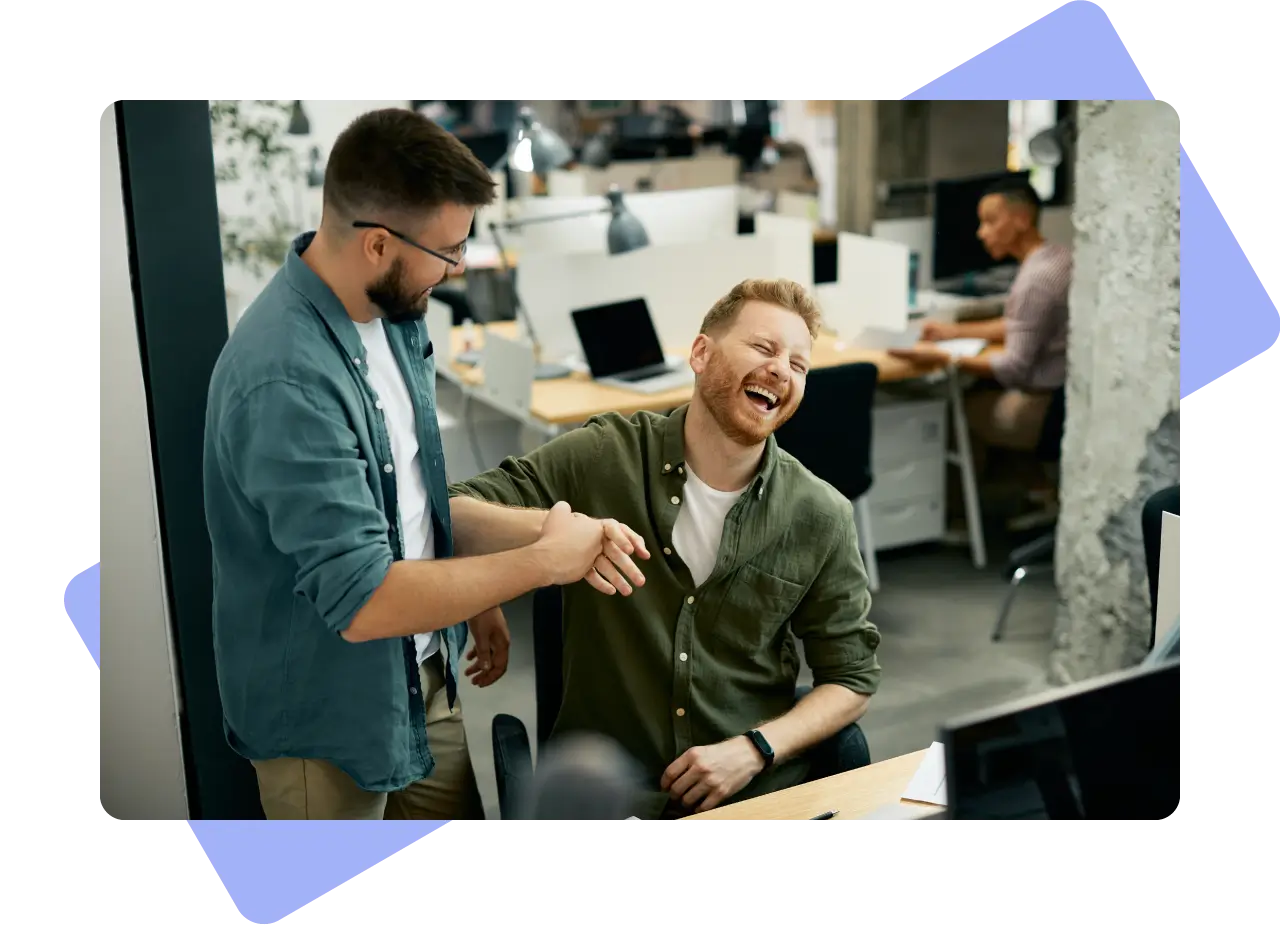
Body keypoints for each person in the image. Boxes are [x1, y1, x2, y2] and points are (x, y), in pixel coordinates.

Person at [203, 108, 648, 822]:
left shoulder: (395, 318)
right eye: (448, 250)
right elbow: (365, 598)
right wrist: (542, 564)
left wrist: (512, 562)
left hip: (419, 678)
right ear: (379, 243)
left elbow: (406, 498)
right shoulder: (286, 379)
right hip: (327, 720)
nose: (460, 267)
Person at [450, 278, 882, 821]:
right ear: (701, 353)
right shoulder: (604, 455)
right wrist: (542, 542)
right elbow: (454, 512)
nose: (781, 370)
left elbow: (851, 678)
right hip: (609, 795)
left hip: (751, 796)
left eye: (798, 365)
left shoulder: (820, 514)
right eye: (764, 348)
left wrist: (755, 750)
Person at [890, 176, 1072, 519]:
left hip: (1038, 407)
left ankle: (959, 519)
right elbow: (1021, 325)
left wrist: (942, 358)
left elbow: (1014, 366)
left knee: (954, 408)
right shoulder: (1056, 258)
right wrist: (950, 331)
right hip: (1059, 396)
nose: (980, 232)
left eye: (990, 221)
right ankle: (1036, 490)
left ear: (1022, 218)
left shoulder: (1035, 280)